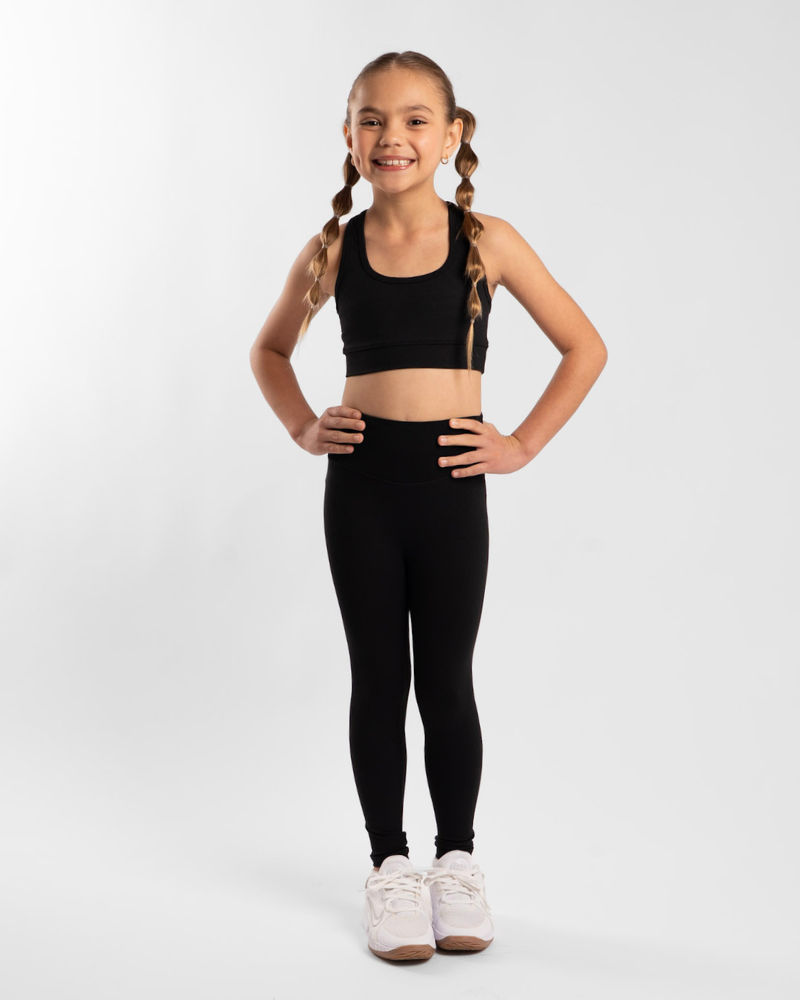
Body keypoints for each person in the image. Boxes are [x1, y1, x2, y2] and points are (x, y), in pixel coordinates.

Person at [249, 50, 608, 962]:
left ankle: (457, 863)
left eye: (415, 120)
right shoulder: (333, 249)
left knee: (447, 680)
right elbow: (269, 352)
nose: (393, 136)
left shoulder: (489, 240)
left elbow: (585, 346)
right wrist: (302, 427)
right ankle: (389, 867)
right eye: (372, 119)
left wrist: (521, 444)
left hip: (452, 486)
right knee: (380, 680)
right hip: (362, 490)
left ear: (452, 136)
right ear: (348, 135)